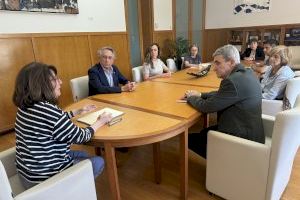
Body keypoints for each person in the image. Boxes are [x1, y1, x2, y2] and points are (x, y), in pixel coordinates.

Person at [13, 62, 112, 189]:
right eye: (55, 79)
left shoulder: (26, 106)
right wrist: (101, 121)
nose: (60, 82)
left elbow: (50, 123)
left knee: (84, 155)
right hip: (44, 180)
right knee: (98, 161)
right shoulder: (48, 111)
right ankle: (70, 191)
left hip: (29, 172)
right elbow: (82, 136)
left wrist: (76, 112)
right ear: (41, 85)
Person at [183, 44, 265, 158]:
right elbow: (223, 94)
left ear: (231, 62)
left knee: (187, 139)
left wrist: (191, 97)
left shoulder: (232, 81)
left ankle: (220, 164)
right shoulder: (246, 73)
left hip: (241, 141)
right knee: (204, 133)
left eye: (217, 63)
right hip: (252, 133)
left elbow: (207, 107)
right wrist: (201, 94)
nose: (214, 67)